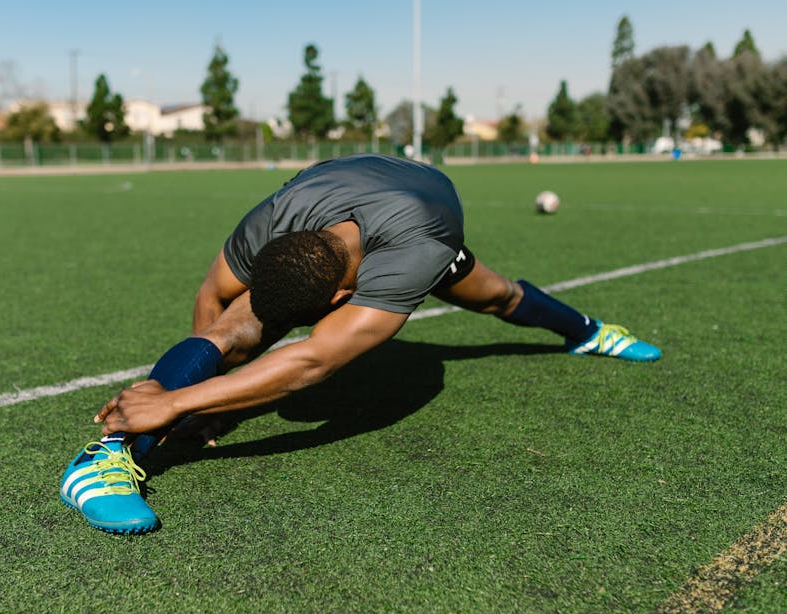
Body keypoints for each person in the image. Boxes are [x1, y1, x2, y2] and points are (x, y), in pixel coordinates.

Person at [59, 154, 661, 534]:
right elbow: (212, 304)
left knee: (498, 296)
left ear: (339, 300)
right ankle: (104, 458)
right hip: (352, 187)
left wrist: (176, 402)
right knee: (233, 331)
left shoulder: (413, 257)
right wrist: (195, 398)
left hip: (424, 204)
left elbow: (314, 360)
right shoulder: (269, 222)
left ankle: (587, 332)